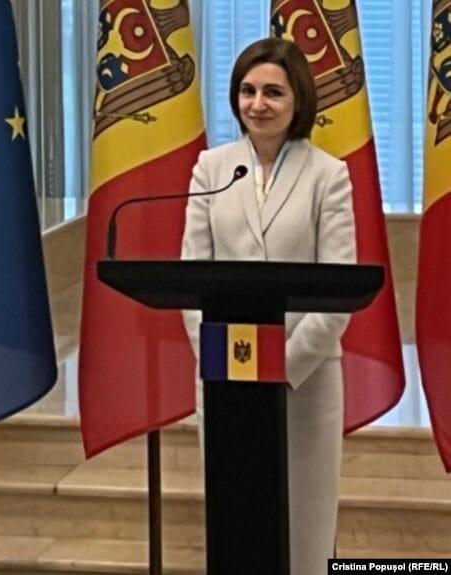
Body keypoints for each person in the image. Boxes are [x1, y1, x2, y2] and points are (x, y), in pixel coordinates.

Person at [181, 37, 355, 574]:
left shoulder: (328, 174)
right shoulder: (212, 169)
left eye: (273, 92)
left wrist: (279, 365)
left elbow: (336, 293)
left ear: (297, 100)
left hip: (304, 381)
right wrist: (227, 357)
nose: (258, 103)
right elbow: (190, 281)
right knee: (237, 520)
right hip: (227, 377)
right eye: (248, 91)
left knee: (304, 525)